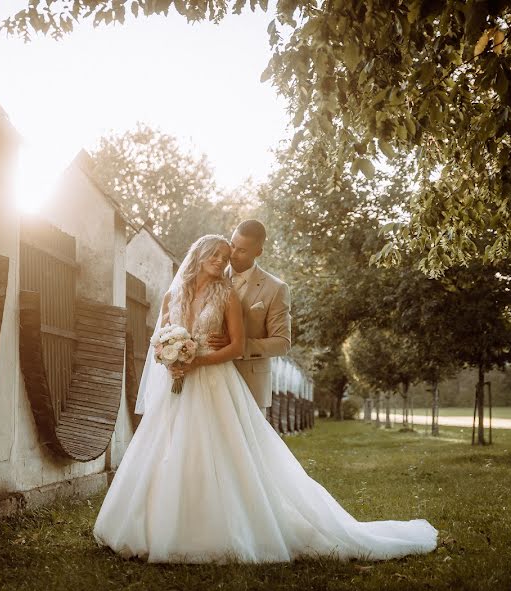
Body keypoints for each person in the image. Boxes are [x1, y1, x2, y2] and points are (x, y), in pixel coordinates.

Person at [93, 234, 437, 564]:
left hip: (214, 381)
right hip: (178, 384)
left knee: (222, 452)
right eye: (214, 255)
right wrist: (170, 360)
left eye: (225, 258)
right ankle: (156, 524)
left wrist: (196, 359)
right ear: (198, 255)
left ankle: (224, 527)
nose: (220, 261)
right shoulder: (172, 296)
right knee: (168, 448)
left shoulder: (226, 296)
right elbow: (159, 340)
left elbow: (237, 347)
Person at [208, 220, 290, 418]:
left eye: (242, 250)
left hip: (250, 383)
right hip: (210, 380)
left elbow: (282, 343)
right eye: (232, 245)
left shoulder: (276, 288)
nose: (233, 254)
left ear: (258, 252)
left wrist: (237, 345)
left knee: (250, 447)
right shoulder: (210, 277)